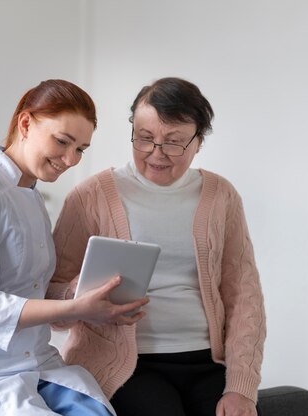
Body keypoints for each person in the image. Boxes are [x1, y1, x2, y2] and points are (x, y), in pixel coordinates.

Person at [0, 79, 149, 416]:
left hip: (34, 362)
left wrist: (81, 297)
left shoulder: (33, 196)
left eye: (81, 148)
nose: (70, 159)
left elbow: (30, 292)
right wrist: (77, 309)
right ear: (25, 124)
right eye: (62, 141)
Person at [48, 77, 266, 416]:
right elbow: (50, 296)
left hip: (207, 361)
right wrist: (77, 294)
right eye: (145, 138)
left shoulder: (221, 195)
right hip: (126, 366)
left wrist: (241, 387)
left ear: (199, 142)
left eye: (174, 142)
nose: (156, 154)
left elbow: (244, 296)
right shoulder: (91, 195)